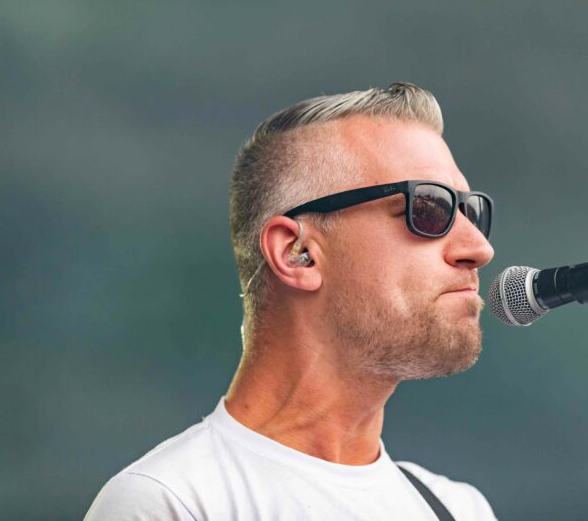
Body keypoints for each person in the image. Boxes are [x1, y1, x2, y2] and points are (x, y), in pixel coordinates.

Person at [85, 82, 497, 520]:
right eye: (429, 209)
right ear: (296, 253)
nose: (479, 248)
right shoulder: (169, 503)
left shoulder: (459, 508)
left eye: (470, 212)